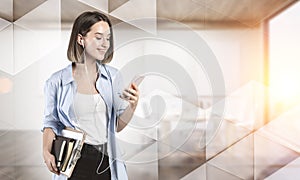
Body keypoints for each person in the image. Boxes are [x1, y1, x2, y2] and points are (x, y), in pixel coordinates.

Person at [42, 11, 139, 180]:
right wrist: (45, 152)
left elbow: (116, 127)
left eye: (108, 38)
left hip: (105, 157)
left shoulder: (114, 77)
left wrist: (132, 106)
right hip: (73, 159)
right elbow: (51, 122)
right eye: (98, 37)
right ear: (81, 39)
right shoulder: (56, 81)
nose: (105, 44)